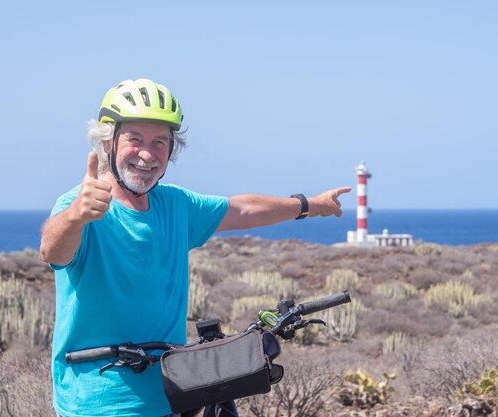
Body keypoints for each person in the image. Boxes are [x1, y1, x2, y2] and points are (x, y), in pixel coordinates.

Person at [39, 78, 350, 417]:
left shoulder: (175, 205)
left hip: (174, 393)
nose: (147, 153)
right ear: (107, 143)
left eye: (160, 142)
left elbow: (243, 209)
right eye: (135, 139)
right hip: (98, 400)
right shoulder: (79, 205)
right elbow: (53, 252)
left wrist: (310, 205)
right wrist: (74, 217)